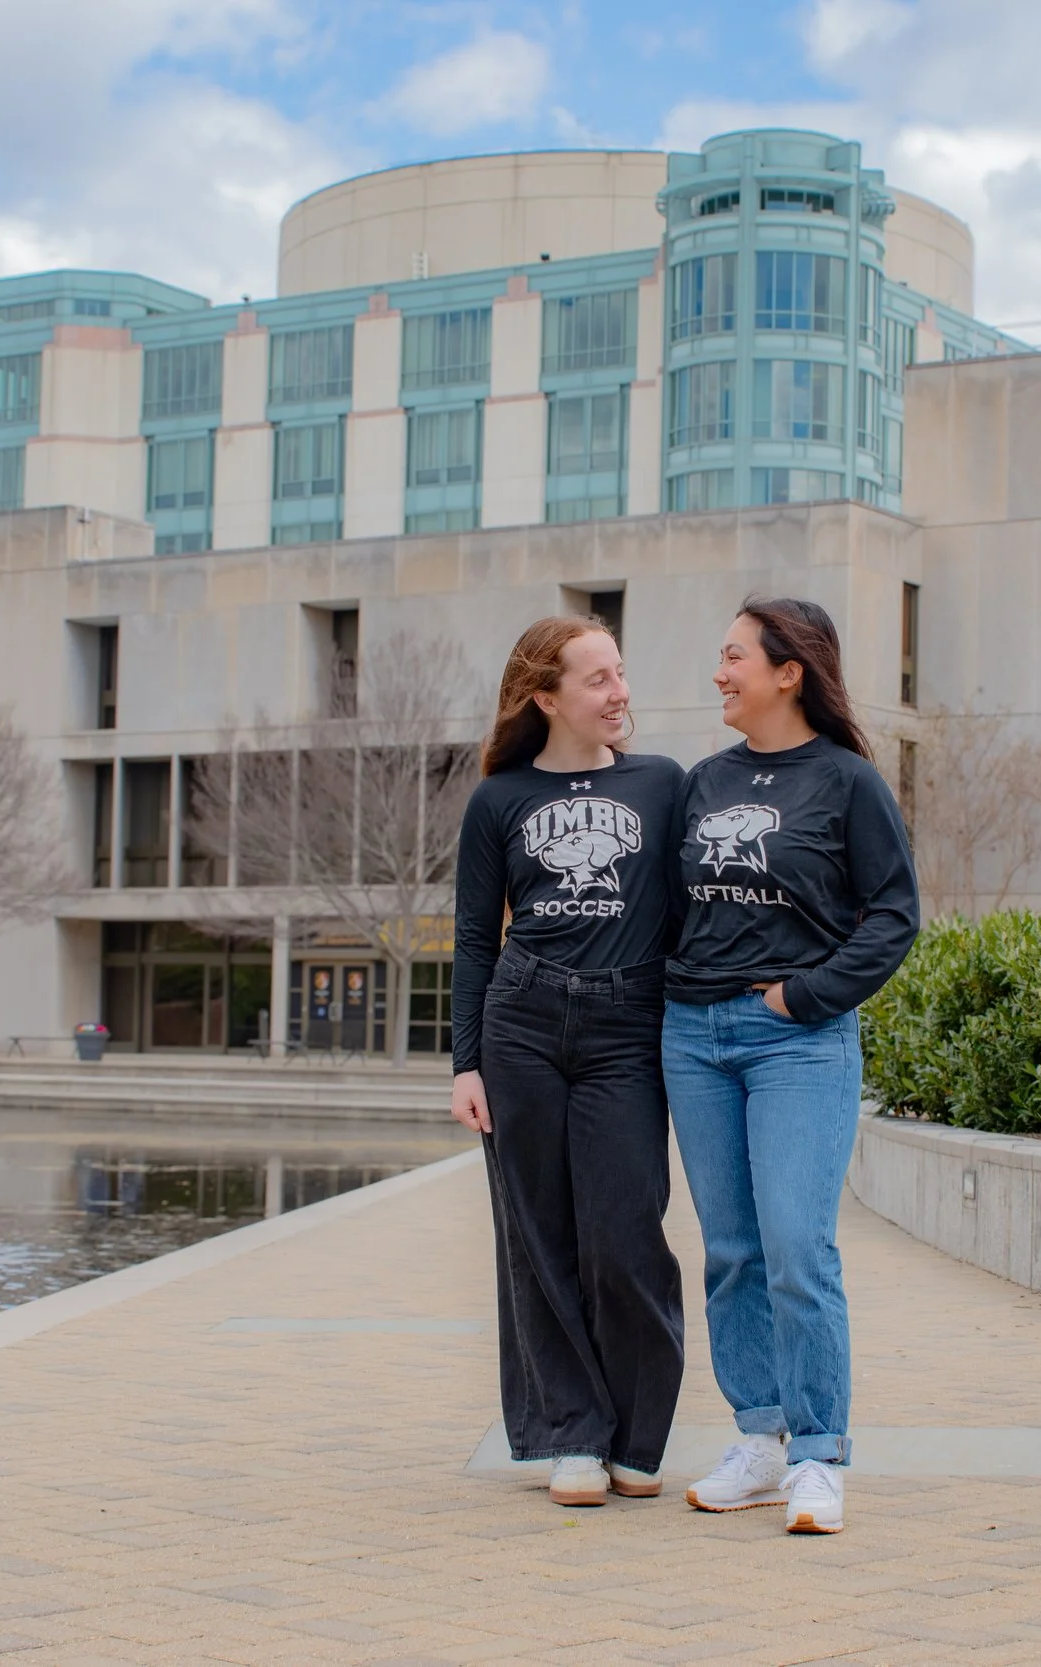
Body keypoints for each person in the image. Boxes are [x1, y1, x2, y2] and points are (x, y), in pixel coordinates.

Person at [663, 597, 921, 1536]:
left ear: (788, 671)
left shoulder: (847, 782)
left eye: (733, 656)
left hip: (797, 1043)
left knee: (797, 1250)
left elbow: (894, 914)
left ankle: (818, 1455)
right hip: (693, 1037)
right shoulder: (701, 782)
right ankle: (760, 1440)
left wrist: (807, 995)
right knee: (731, 1251)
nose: (719, 672)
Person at [452, 615, 688, 1509]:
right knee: (539, 1237)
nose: (619, 691)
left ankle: (637, 1432)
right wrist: (465, 1064)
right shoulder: (498, 799)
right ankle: (572, 1436)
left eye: (621, 672)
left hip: (628, 1026)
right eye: (599, 679)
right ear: (548, 697)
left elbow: (693, 909)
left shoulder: (664, 785)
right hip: (523, 1024)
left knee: (628, 1236)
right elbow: (476, 938)